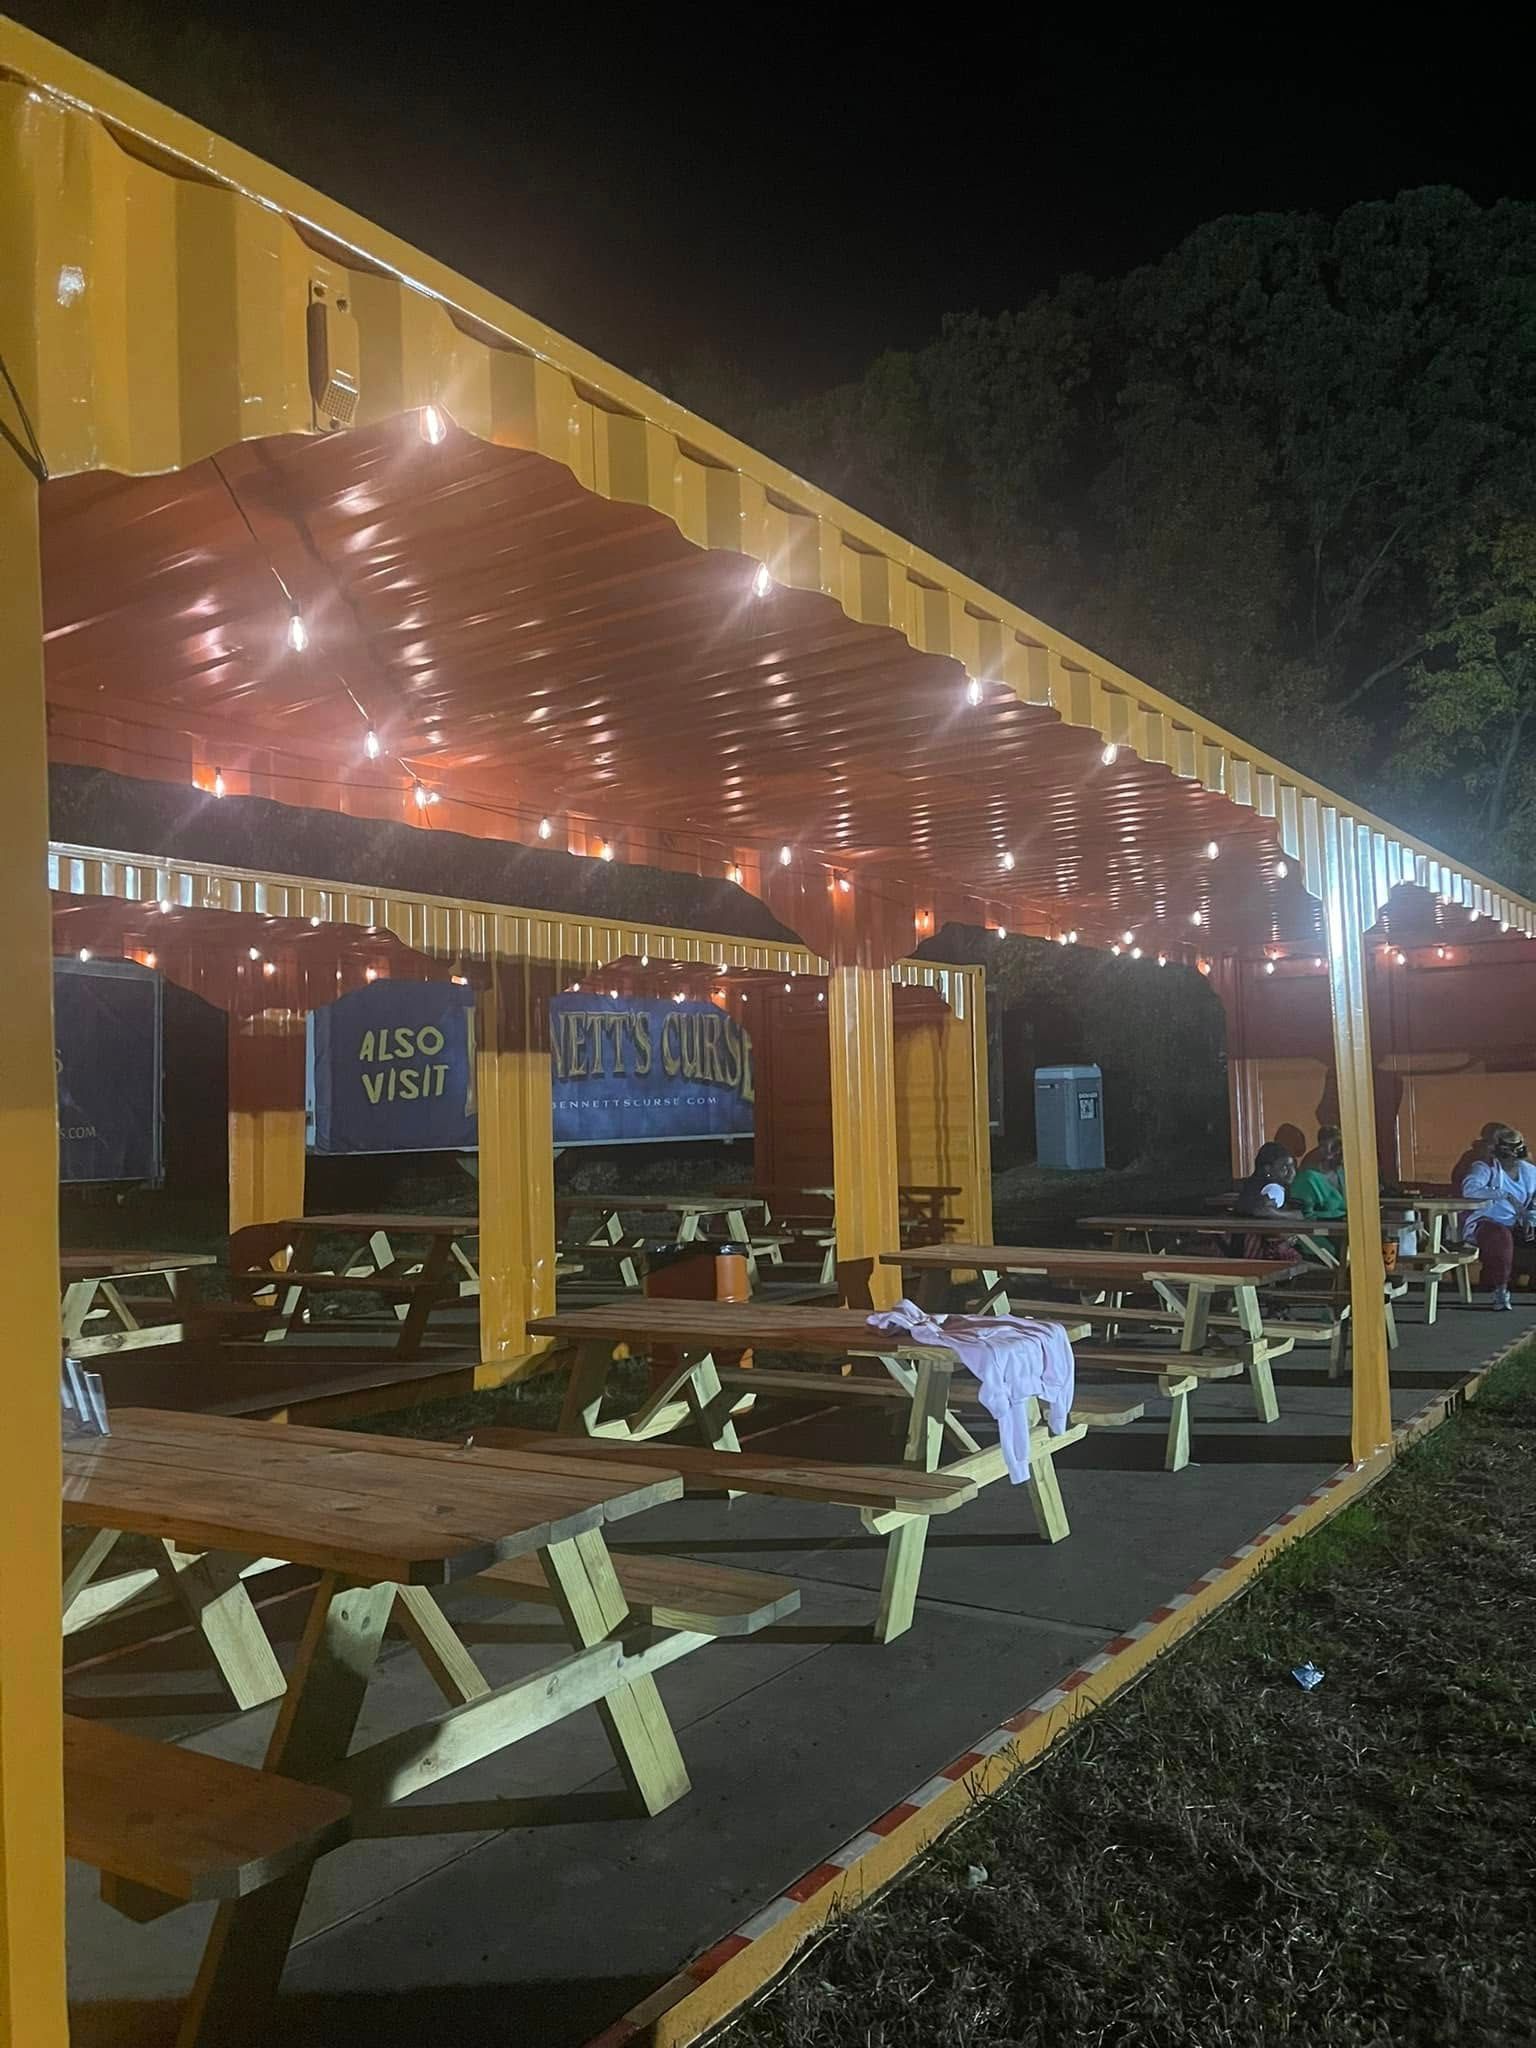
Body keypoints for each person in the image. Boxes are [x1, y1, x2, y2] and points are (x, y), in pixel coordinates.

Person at [1460, 1125, 1536, 1310]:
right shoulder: (1484, 1168)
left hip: (1518, 1223)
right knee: (1499, 1237)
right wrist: (1504, 1195)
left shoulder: (1529, 1171)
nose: (1512, 1160)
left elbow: (1534, 1201)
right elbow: (1469, 1189)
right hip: (1488, 1222)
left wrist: (1531, 1219)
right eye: (1507, 1155)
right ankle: (1500, 1291)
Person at [1229, 1141, 1298, 1261]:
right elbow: (1261, 1210)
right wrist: (1295, 1216)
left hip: (1239, 1247)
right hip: (1258, 1252)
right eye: (1284, 1168)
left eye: (1293, 1166)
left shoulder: (1252, 1185)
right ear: (1268, 1169)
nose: (1292, 1172)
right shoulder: (1275, 1189)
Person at [1291, 1131, 1347, 1220]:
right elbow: (1304, 1216)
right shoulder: (1308, 1177)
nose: (1340, 1151)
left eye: (1339, 1146)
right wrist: (1337, 1217)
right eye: (1335, 1147)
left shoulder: (1344, 1173)